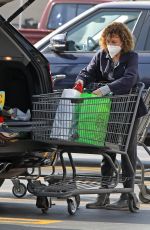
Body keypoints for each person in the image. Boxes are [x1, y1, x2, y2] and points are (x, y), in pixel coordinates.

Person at [75, 22, 147, 210]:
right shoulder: (102, 56)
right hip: (108, 110)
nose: (110, 45)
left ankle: (127, 195)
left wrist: (106, 88)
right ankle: (103, 194)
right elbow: (87, 72)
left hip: (129, 109)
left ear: (123, 41)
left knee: (127, 151)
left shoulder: (131, 57)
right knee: (107, 150)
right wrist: (80, 82)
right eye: (107, 41)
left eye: (114, 41)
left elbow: (130, 78)